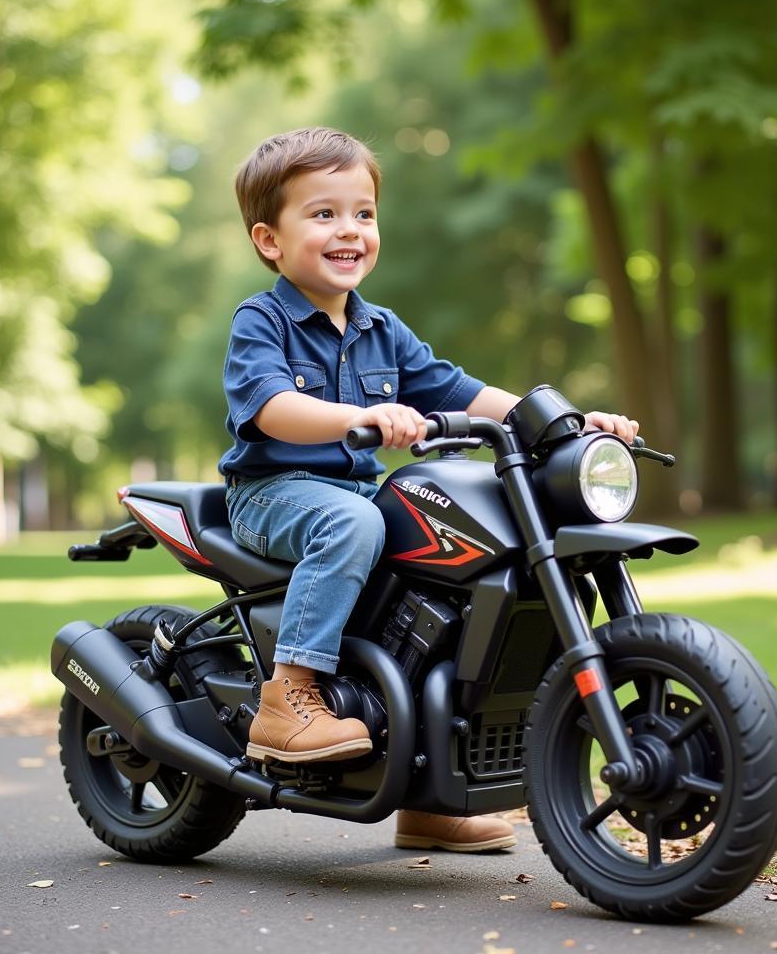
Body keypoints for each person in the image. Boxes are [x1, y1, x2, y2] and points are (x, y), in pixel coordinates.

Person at [219, 127, 639, 852]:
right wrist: (360, 416)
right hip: (275, 494)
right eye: (323, 214)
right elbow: (268, 407)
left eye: (364, 213)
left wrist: (569, 421)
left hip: (354, 502)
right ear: (269, 240)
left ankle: (434, 794)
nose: (349, 228)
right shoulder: (262, 321)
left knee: (450, 586)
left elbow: (464, 391)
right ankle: (288, 697)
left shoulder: (384, 329)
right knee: (353, 526)